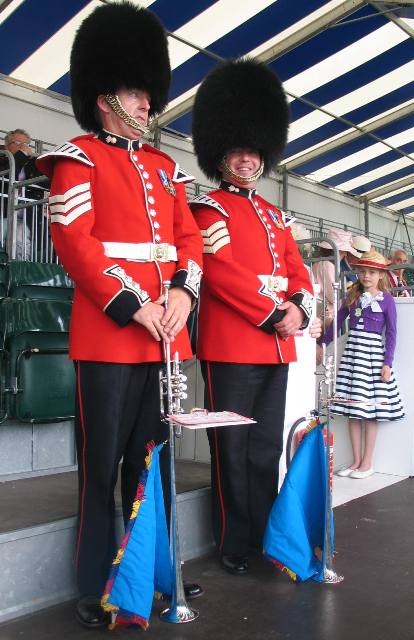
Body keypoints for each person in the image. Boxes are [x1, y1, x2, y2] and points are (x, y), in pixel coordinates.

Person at [36, 2, 203, 629]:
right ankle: (96, 584)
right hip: (111, 338)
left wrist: (183, 296)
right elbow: (77, 244)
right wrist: (138, 307)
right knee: (101, 472)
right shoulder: (76, 159)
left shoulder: (164, 169)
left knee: (151, 465)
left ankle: (154, 574)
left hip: (165, 339)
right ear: (106, 99)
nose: (146, 104)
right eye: (136, 94)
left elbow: (188, 241)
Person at [190, 59, 315, 576]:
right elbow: (220, 272)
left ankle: (265, 533)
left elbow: (299, 272)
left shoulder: (274, 216)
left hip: (275, 346)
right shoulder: (209, 209)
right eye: (238, 151)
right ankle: (233, 540)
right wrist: (274, 312)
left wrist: (299, 309)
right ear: (220, 156)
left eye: (254, 151)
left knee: (263, 449)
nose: (247, 159)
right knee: (231, 448)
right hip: (232, 346)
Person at [321, 250, 404, 479]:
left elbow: (392, 333)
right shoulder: (352, 296)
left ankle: (367, 463)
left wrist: (387, 363)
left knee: (369, 411)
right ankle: (356, 461)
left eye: (372, 272)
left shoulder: (387, 300)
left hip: (372, 358)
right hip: (353, 356)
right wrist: (322, 344)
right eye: (363, 271)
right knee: (353, 410)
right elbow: (337, 323)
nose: (366, 276)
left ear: (381, 275)